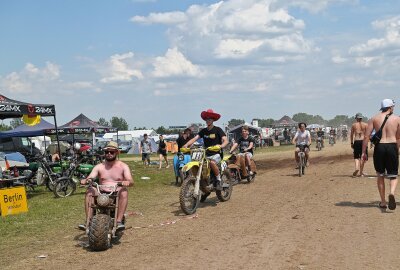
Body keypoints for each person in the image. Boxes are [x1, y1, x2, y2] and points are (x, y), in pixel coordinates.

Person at [79, 141, 134, 230]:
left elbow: (131, 180)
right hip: (101, 192)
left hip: (116, 193)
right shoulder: (99, 166)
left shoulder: (123, 166)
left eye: (111, 152)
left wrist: (127, 182)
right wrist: (86, 180)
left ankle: (119, 221)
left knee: (124, 191)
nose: (109, 154)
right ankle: (88, 221)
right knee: (90, 191)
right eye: (106, 152)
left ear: (117, 152)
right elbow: (91, 177)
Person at [363, 99, 400, 210]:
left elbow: (366, 136)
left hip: (379, 147)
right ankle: (392, 193)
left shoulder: (374, 118)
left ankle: (383, 202)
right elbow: (398, 137)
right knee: (393, 175)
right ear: (390, 107)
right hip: (392, 145)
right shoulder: (397, 119)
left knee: (380, 175)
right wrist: (396, 150)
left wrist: (363, 152)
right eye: (393, 106)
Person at [183, 109, 228, 191]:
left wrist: (221, 146)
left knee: (211, 162)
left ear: (213, 120)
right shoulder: (203, 131)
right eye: (206, 119)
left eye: (210, 119)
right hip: (205, 154)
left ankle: (218, 180)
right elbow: (195, 138)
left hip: (216, 153)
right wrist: (186, 145)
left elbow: (226, 140)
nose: (208, 120)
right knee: (197, 164)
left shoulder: (218, 130)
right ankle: (202, 184)